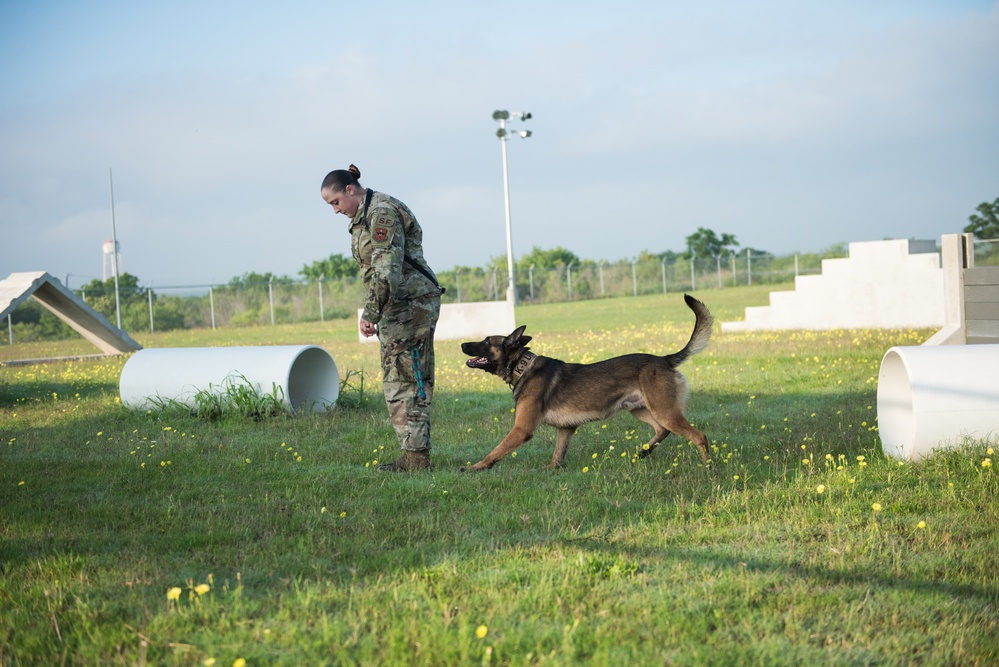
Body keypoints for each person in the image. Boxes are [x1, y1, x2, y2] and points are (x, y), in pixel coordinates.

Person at [320, 165, 443, 472]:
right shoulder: (366, 214)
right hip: (396, 307)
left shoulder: (381, 213)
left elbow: (387, 269)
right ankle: (413, 454)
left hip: (410, 306)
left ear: (350, 189)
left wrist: (371, 311)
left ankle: (417, 459)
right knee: (397, 379)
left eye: (335, 202)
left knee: (409, 380)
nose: (335, 210)